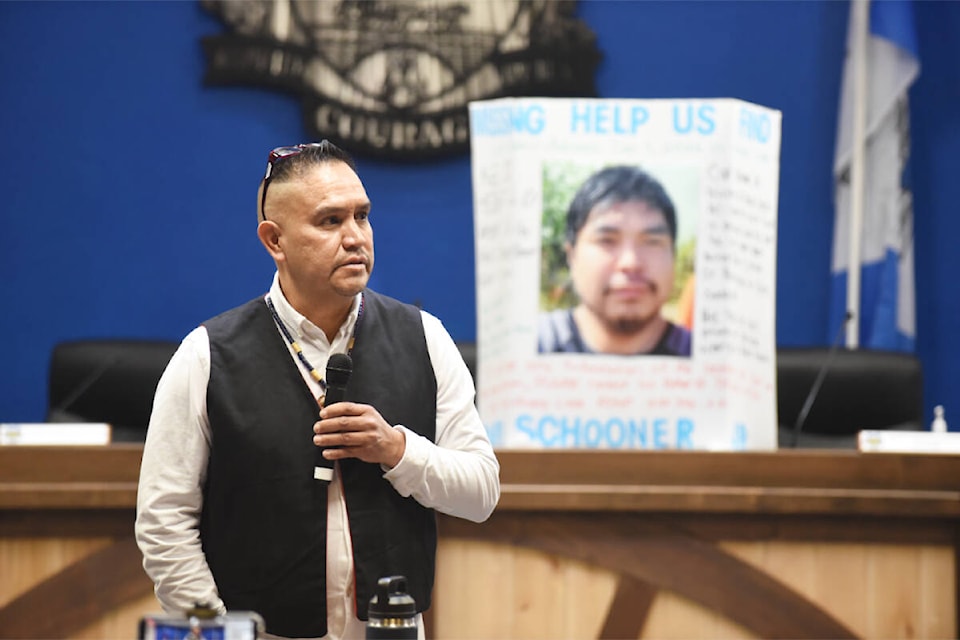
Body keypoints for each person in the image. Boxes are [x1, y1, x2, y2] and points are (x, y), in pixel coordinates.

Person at [135, 140, 500, 640]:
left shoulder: (425, 337)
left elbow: (481, 492)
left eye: (363, 217)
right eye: (330, 222)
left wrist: (397, 450)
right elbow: (164, 522)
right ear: (275, 240)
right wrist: (219, 630)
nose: (355, 238)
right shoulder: (206, 356)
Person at [538, 165, 692, 356]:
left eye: (652, 242)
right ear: (572, 256)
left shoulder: (705, 357)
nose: (631, 262)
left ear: (673, 257)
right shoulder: (534, 344)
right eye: (607, 240)